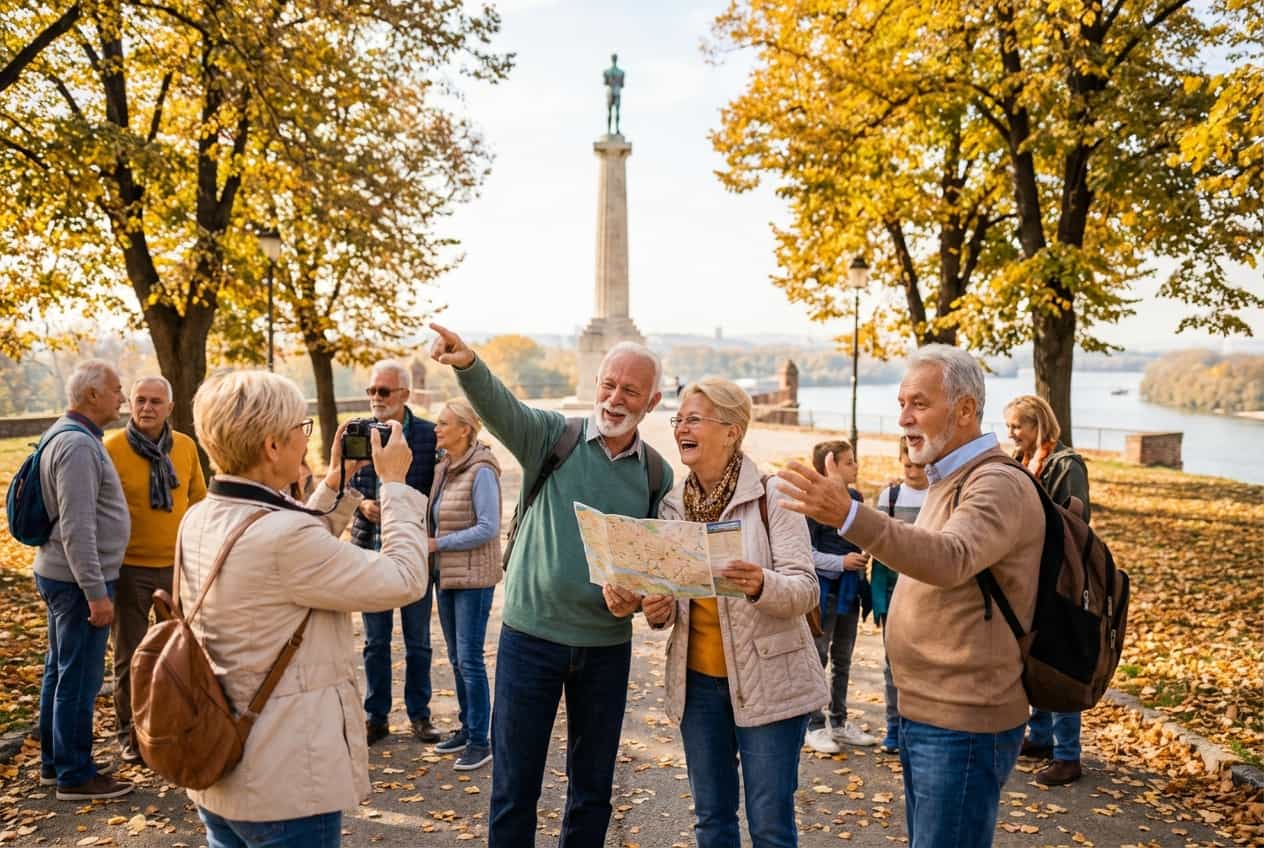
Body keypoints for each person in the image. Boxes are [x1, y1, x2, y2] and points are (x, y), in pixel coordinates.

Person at [776, 344, 1044, 848]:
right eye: (901, 403)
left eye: (918, 403)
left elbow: (949, 557)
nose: (903, 418)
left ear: (965, 409)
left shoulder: (995, 483)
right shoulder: (951, 478)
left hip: (963, 721)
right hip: (928, 716)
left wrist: (851, 518)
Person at [429, 323, 673, 848]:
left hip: (606, 650)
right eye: (608, 384)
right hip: (529, 640)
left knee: (592, 793)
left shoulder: (657, 475)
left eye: (630, 391)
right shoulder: (551, 437)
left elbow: (655, 571)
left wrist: (640, 597)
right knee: (515, 789)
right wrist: (468, 364)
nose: (614, 398)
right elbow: (502, 409)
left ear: (651, 401)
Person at [180, 369, 429, 848]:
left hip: (218, 763)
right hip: (283, 782)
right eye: (302, 427)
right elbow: (406, 578)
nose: (305, 438)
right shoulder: (284, 540)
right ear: (273, 447)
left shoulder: (201, 516)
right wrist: (395, 485)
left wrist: (337, 483)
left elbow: (285, 539)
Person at [633, 378, 826, 848]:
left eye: (694, 418)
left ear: (732, 430)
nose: (681, 427)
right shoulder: (673, 506)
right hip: (697, 687)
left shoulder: (773, 495)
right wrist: (657, 610)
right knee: (711, 821)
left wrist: (762, 583)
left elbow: (806, 589)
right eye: (678, 419)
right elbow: (671, 606)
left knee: (770, 825)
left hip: (771, 683)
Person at [33, 359, 133, 801]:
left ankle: (56, 765)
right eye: (116, 390)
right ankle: (75, 775)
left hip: (64, 577)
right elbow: (76, 527)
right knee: (78, 679)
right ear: (92, 395)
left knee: (61, 671)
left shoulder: (68, 434)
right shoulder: (76, 445)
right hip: (77, 584)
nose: (122, 398)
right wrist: (96, 593)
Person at [104, 376, 207, 764]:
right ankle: (129, 733)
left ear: (170, 406)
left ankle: (173, 726)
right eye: (140, 400)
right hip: (129, 568)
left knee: (179, 654)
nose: (147, 408)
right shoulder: (111, 448)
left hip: (177, 567)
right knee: (130, 655)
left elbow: (198, 500)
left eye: (155, 401)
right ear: (130, 404)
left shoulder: (185, 446)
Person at [351, 359, 439, 745]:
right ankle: (376, 717)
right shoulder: (357, 432)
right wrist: (362, 505)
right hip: (368, 549)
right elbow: (346, 484)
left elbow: (440, 490)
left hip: (412, 551)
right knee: (375, 641)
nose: (375, 398)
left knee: (417, 640)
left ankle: (420, 716)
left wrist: (396, 504)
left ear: (404, 395)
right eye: (371, 391)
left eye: (383, 391)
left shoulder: (429, 436)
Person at [1005, 394, 1091, 786]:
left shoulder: (1065, 464)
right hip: (1029, 574)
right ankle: (1039, 737)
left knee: (1058, 660)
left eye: (1017, 426)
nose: (1012, 434)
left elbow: (1075, 520)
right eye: (1008, 427)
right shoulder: (1023, 462)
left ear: (1038, 423)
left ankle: (1067, 754)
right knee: (1034, 655)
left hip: (1059, 576)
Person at [428, 399, 502, 772]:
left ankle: (479, 741)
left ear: (464, 430)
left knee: (470, 659)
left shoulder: (482, 470)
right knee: (457, 659)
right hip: (447, 574)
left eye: (443, 423)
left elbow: (488, 527)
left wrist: (439, 544)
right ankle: (465, 726)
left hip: (472, 577)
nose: (436, 429)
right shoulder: (445, 467)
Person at [803, 439, 876, 752]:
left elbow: (861, 535)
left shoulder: (856, 497)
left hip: (850, 592)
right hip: (824, 592)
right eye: (849, 461)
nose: (856, 467)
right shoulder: (811, 502)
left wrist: (864, 554)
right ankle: (813, 724)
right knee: (817, 657)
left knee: (843, 659)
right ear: (831, 463)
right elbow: (805, 553)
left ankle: (840, 721)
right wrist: (841, 562)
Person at [868, 437, 929, 753]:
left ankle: (918, 727)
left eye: (919, 465)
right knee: (893, 665)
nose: (914, 472)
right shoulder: (890, 497)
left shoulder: (937, 495)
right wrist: (878, 601)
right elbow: (878, 549)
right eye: (908, 465)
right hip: (893, 592)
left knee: (925, 664)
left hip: (928, 594)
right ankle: (894, 727)